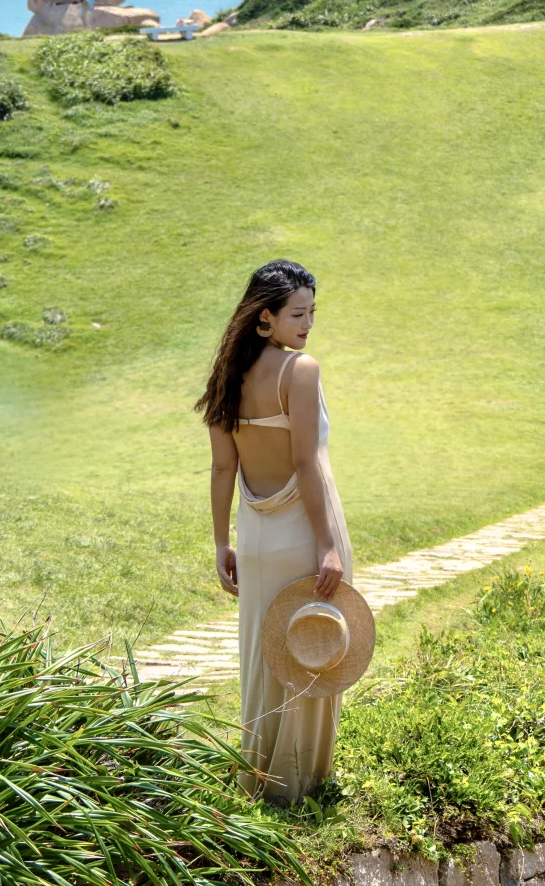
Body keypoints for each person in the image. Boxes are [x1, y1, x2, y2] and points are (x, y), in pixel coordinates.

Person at [195, 259, 353, 803]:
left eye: (312, 312)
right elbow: (306, 464)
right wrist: (329, 546)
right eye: (298, 313)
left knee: (265, 656)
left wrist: (222, 542)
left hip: (256, 534)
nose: (308, 324)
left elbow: (223, 469)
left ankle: (257, 777)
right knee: (315, 649)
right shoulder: (299, 370)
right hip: (307, 529)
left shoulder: (225, 378)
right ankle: (304, 783)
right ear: (265, 319)